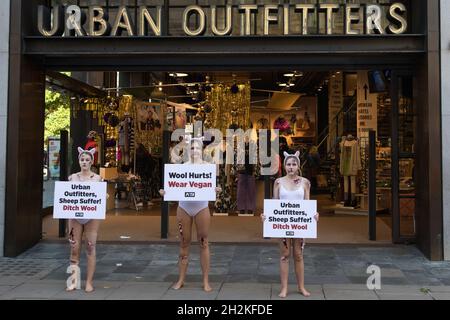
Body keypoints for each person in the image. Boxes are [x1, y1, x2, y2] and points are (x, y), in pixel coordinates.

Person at [159, 137, 221, 292]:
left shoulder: (208, 167)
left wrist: (216, 190)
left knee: (203, 242)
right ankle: (181, 279)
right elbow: (173, 185)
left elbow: (212, 187)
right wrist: (165, 192)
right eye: (192, 148)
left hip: (201, 207)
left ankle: (206, 281)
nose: (195, 151)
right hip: (184, 207)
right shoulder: (182, 167)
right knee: (184, 243)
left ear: (202, 150)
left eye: (198, 148)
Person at [262, 151, 319, 298]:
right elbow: (274, 204)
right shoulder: (278, 182)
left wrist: (314, 215)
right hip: (283, 225)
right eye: (288, 164)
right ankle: (284, 288)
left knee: (299, 255)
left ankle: (301, 287)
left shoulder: (305, 182)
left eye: (294, 164)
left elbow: (308, 203)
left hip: (299, 224)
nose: (291, 167)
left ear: (298, 166)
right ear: (284, 166)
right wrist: (266, 216)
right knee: (285, 255)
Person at [67, 147, 103, 293]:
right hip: (75, 216)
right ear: (79, 161)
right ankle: (73, 281)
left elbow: (100, 195)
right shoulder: (72, 177)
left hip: (91, 216)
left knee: (90, 247)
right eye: (82, 160)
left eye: (87, 160)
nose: (84, 162)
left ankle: (89, 282)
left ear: (91, 162)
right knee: (74, 247)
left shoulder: (98, 178)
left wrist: (104, 196)